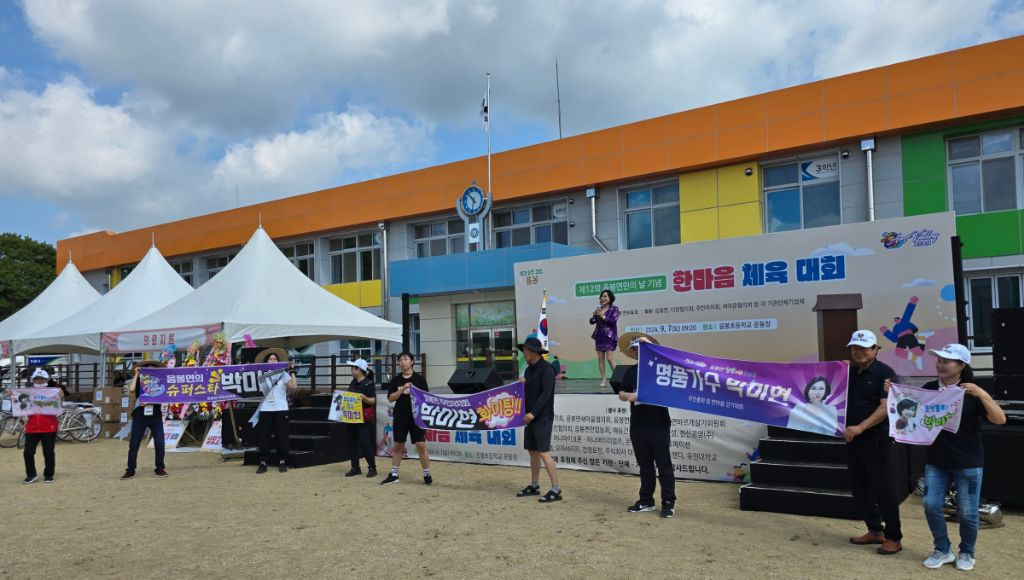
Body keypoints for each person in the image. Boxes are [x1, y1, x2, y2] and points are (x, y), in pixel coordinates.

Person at [916, 344, 1006, 571]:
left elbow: (999, 419)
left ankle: (967, 552)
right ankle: (942, 549)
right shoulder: (929, 389)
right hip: (936, 461)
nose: (940, 364)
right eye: (939, 360)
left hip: (968, 462)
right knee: (930, 505)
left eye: (946, 361)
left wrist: (982, 394)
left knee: (967, 512)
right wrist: (893, 393)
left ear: (961, 365)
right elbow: (911, 413)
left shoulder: (972, 391)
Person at [842, 330, 901, 555]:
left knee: (883, 488)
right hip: (852, 439)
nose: (859, 352)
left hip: (876, 439)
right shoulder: (848, 372)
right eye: (855, 348)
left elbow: (885, 408)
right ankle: (875, 529)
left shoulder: (885, 373)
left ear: (876, 349)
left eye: (865, 347)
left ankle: (893, 537)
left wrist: (861, 427)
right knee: (859, 486)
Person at [616, 332, 676, 518]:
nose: (636, 352)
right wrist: (628, 396)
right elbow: (621, 393)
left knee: (664, 465)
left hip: (659, 424)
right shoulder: (631, 372)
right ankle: (646, 500)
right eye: (634, 350)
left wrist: (647, 343)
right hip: (638, 425)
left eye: (640, 348)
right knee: (645, 466)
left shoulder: (659, 367)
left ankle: (668, 502)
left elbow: (665, 358)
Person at [515, 336, 560, 502]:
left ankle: (556, 489)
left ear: (534, 352)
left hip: (543, 417)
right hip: (530, 417)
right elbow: (529, 392)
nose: (524, 354)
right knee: (532, 451)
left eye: (525, 351)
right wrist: (522, 384)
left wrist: (532, 413)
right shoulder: (528, 370)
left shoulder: (547, 369)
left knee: (543, 452)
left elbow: (546, 394)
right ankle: (534, 485)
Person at [380, 352, 432, 486]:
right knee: (398, 445)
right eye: (400, 360)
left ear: (412, 362)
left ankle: (427, 474)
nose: (403, 362)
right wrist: (402, 389)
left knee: (421, 445)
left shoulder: (419, 379)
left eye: (405, 359)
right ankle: (394, 474)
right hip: (400, 417)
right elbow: (390, 398)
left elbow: (427, 398)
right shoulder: (396, 380)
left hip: (417, 418)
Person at [122, 362, 169, 479]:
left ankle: (160, 468)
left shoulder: (161, 381)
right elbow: (131, 389)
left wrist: (151, 401)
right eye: (147, 369)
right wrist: (136, 374)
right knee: (134, 443)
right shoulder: (139, 380)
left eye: (153, 369)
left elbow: (165, 395)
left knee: (160, 443)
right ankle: (130, 469)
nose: (150, 371)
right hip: (140, 414)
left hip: (156, 415)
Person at [254, 349, 298, 474]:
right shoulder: (261, 374)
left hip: (281, 409)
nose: (273, 361)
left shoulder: (283, 374)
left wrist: (292, 371)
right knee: (264, 437)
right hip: (265, 409)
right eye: (270, 359)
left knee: (282, 436)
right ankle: (263, 463)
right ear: (266, 361)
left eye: (275, 359)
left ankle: (282, 461)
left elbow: (294, 386)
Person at [21, 369, 62, 483]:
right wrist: (12, 395)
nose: (39, 381)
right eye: (37, 379)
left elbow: (58, 407)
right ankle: (31, 475)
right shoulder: (28, 392)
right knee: (28, 452)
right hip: (32, 427)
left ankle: (49, 474)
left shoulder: (52, 392)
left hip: (49, 427)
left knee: (48, 452)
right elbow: (19, 401)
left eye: (42, 379)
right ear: (33, 380)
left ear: (46, 380)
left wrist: (61, 397)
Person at [344, 359, 377, 478]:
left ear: (359, 370)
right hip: (352, 417)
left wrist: (365, 399)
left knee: (365, 442)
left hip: (364, 418)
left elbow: (373, 400)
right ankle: (355, 467)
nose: (351, 370)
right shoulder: (353, 382)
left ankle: (372, 467)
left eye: (353, 368)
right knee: (351, 442)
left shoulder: (369, 383)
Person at [589, 289, 620, 387]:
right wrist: (594, 316)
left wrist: (602, 316)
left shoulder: (614, 309)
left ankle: (618, 378)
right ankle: (603, 379)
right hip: (599, 336)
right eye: (602, 296)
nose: (603, 298)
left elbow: (612, 322)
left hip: (609, 336)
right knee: (600, 359)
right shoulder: (599, 309)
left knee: (610, 358)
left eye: (605, 296)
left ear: (610, 298)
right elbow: (592, 322)